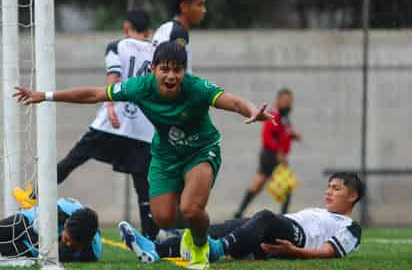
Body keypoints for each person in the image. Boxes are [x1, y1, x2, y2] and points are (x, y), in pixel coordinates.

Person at [13, 41, 273, 269]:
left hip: (200, 150)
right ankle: (196, 232)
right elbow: (94, 94)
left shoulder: (196, 88)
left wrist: (251, 111)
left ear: (185, 71)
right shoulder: (139, 87)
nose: (171, 76)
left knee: (191, 208)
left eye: (177, 70)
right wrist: (44, 96)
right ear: (153, 69)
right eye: (165, 69)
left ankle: (201, 246)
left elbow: (234, 101)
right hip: (164, 155)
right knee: (162, 217)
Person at [15, 10, 160, 240]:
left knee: (74, 158)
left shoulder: (118, 45)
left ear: (126, 27)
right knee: (142, 182)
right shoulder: (155, 50)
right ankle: (151, 237)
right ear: (149, 31)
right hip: (141, 127)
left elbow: (115, 74)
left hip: (111, 122)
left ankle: (32, 196)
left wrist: (111, 107)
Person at [118, 172, 364, 263]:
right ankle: (154, 250)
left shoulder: (351, 227)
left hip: (294, 239)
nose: (328, 191)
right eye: (329, 186)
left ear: (353, 196)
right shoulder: (321, 211)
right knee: (225, 226)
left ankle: (218, 249)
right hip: (275, 236)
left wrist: (295, 251)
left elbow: (330, 252)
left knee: (266, 217)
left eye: (336, 188)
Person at [234, 88, 301, 218]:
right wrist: (278, 152)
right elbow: (267, 136)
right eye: (285, 101)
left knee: (259, 183)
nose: (288, 104)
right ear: (278, 101)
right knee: (282, 185)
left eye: (289, 101)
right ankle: (283, 216)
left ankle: (240, 211)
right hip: (271, 155)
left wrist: (293, 136)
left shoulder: (284, 118)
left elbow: (283, 134)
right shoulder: (274, 115)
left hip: (277, 155)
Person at [0, 198, 101, 262]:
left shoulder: (91, 253)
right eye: (66, 239)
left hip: (32, 249)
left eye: (75, 246)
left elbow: (56, 255)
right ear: (65, 224)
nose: (69, 244)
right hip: (27, 221)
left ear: (89, 241)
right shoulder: (60, 210)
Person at [152, 0, 206, 73]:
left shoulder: (167, 27)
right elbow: (177, 77)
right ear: (183, 7)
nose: (204, 10)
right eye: (199, 4)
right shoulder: (178, 33)